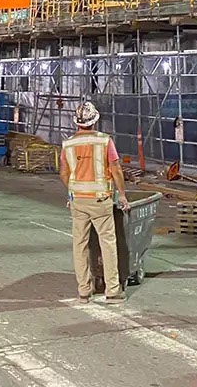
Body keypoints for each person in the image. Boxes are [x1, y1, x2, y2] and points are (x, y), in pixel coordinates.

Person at [59, 101, 129, 303]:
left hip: (78, 201)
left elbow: (64, 173)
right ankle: (112, 291)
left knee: (79, 245)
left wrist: (73, 190)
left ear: (77, 123)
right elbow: (116, 170)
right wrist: (122, 194)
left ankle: (83, 291)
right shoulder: (104, 141)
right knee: (107, 244)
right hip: (100, 201)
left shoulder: (68, 144)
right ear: (95, 121)